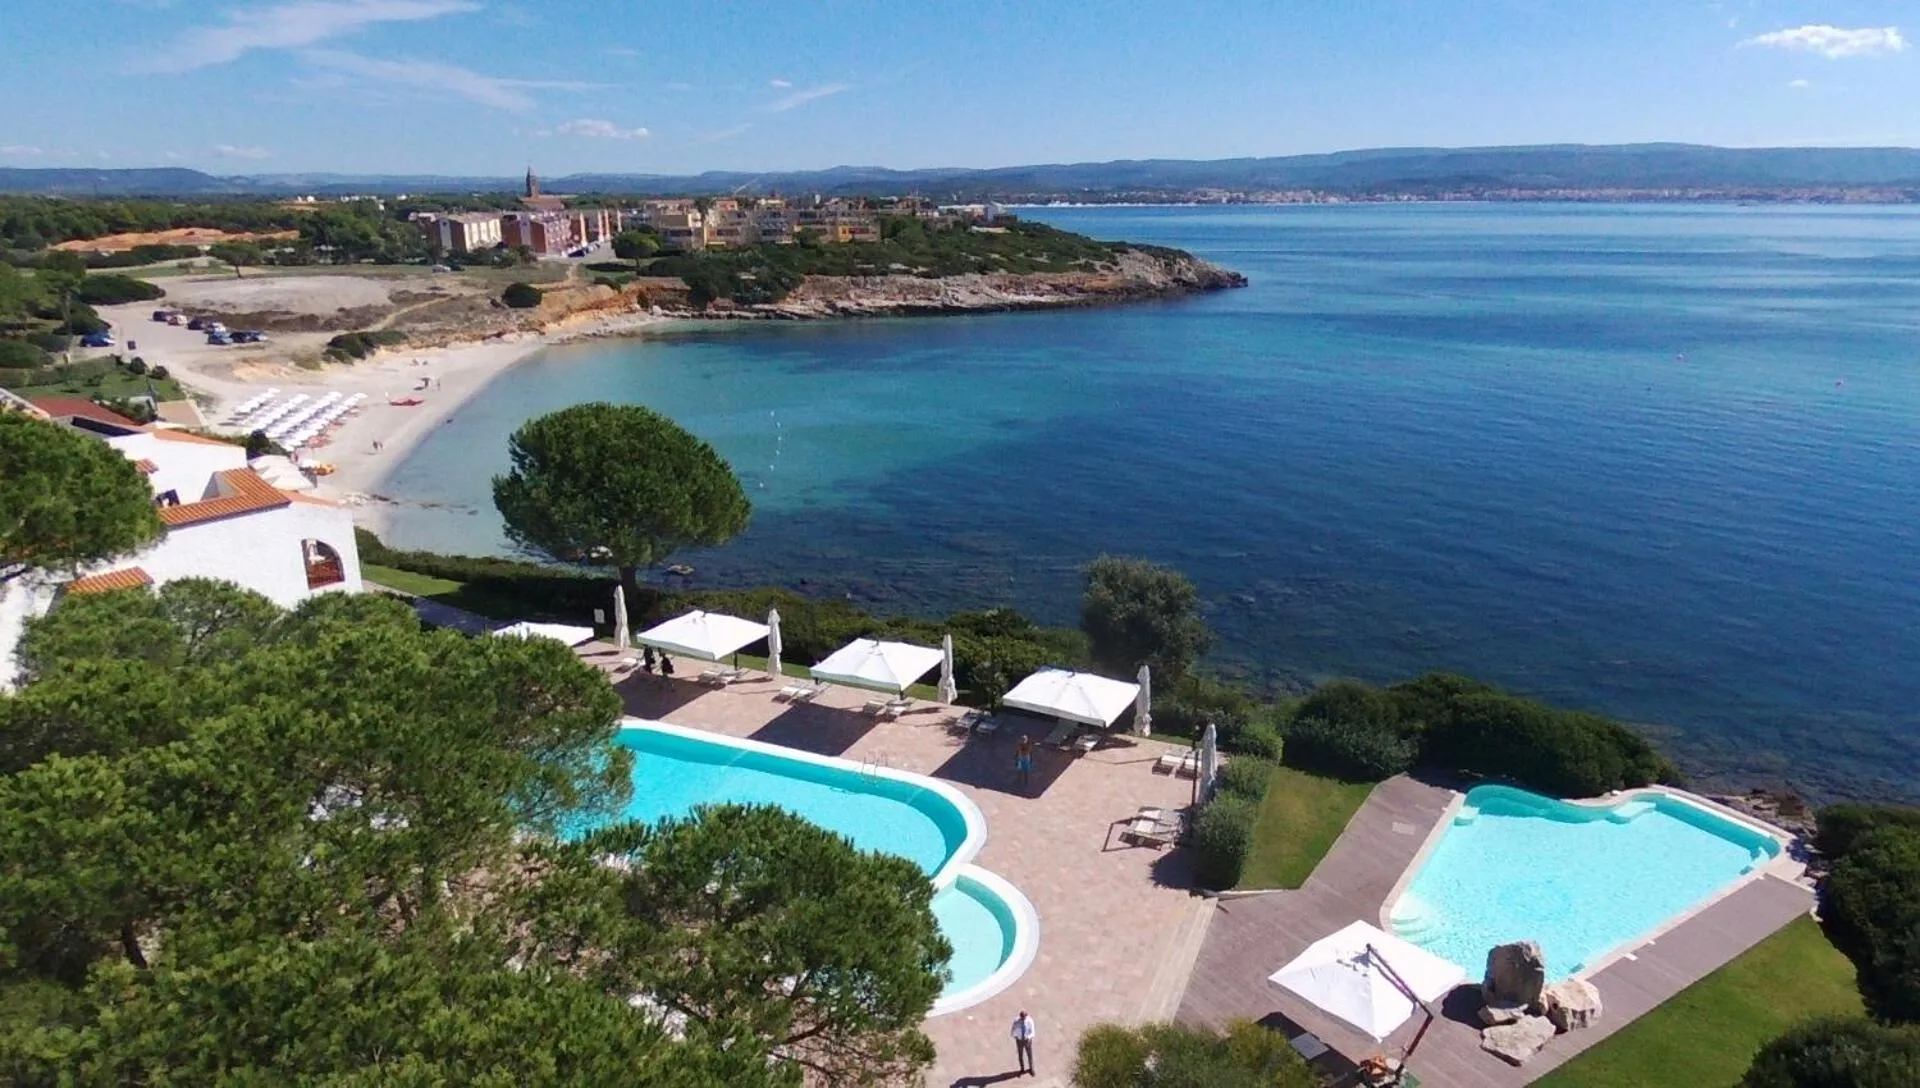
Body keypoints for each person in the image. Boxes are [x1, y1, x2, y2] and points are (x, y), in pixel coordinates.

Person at [1011, 1010, 1036, 1076]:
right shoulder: (1016, 1021)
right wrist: (1015, 1036)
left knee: (1029, 1055)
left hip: (1027, 1040)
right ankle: (1022, 1069)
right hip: (1019, 1040)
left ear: (1026, 1016)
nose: (1022, 1019)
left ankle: (1031, 1069)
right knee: (1020, 1055)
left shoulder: (1029, 1021)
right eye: (1021, 1017)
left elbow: (1032, 1032)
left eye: (1023, 1017)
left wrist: (1029, 1038)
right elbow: (1013, 1029)